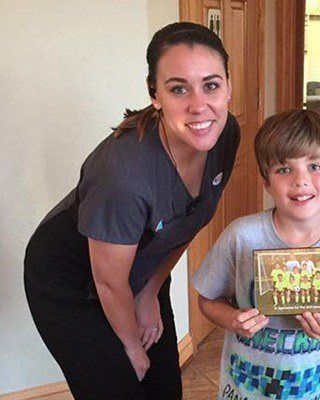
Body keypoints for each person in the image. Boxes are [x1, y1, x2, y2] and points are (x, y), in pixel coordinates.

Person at [24, 22, 239, 399]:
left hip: (140, 266)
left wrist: (151, 290)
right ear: (154, 94)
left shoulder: (224, 135)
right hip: (72, 283)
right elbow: (108, 281)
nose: (199, 105)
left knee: (164, 388)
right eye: (178, 88)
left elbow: (191, 219)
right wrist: (131, 345)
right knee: (122, 385)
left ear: (228, 87)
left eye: (211, 85)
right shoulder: (123, 173)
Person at [193, 109, 320, 400]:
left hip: (313, 391)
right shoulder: (242, 236)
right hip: (243, 391)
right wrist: (232, 319)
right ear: (266, 182)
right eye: (284, 169)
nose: (300, 181)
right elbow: (207, 300)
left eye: (315, 166)